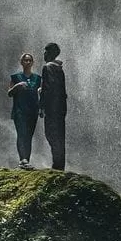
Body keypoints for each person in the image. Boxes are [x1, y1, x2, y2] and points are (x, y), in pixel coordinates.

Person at [7, 51, 42, 168]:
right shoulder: (15, 77)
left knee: (29, 136)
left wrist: (42, 109)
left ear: (32, 63)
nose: (27, 62)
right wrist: (17, 86)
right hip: (19, 111)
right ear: (21, 62)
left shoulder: (37, 78)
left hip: (33, 111)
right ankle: (23, 159)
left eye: (29, 60)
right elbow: (9, 93)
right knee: (22, 134)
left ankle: (27, 160)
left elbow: (41, 95)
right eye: (25, 60)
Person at [40, 42, 68, 171]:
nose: (44, 55)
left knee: (50, 134)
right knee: (59, 135)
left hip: (52, 107)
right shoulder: (59, 68)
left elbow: (48, 89)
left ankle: (57, 165)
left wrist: (42, 106)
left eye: (45, 52)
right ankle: (59, 164)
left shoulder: (48, 67)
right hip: (61, 107)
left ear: (50, 53)